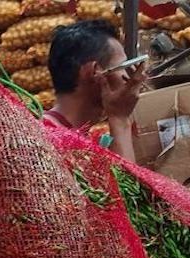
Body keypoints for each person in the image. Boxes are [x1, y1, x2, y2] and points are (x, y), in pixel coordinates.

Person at [44, 20, 147, 161]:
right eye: (122, 67)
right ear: (95, 72)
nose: (127, 77)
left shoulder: (79, 138)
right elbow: (125, 183)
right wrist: (120, 118)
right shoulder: (48, 140)